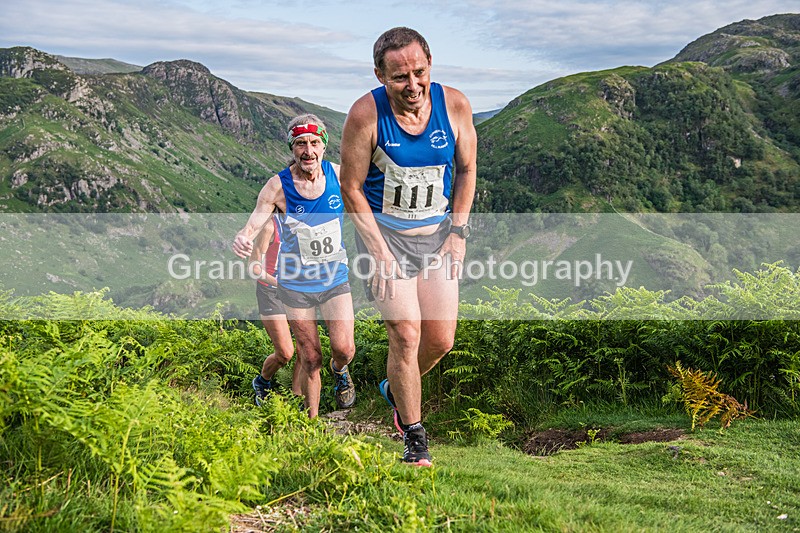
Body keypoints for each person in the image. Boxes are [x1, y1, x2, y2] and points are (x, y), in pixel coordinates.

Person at [339, 27, 477, 466]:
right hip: (385, 240)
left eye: (419, 72)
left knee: (440, 340)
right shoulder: (365, 115)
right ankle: (415, 440)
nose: (413, 85)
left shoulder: (454, 105)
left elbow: (468, 169)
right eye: (399, 77)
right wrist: (377, 252)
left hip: (436, 239)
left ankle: (393, 387)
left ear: (430, 65)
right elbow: (351, 187)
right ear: (380, 75)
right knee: (406, 334)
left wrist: (458, 232)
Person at [233, 113, 356, 418]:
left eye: (314, 142)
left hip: (334, 279)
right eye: (300, 143)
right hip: (296, 285)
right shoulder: (277, 186)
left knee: (344, 350)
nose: (308, 150)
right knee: (309, 357)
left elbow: (371, 203)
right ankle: (311, 426)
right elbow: (256, 218)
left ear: (324, 146)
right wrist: (244, 236)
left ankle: (340, 371)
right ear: (291, 147)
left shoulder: (340, 176)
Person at [248, 216, 304, 405]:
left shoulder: (305, 220)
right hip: (271, 291)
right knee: (285, 353)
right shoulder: (270, 227)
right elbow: (253, 268)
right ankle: (262, 382)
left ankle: (296, 398)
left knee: (306, 348)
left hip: (297, 291)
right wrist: (280, 284)